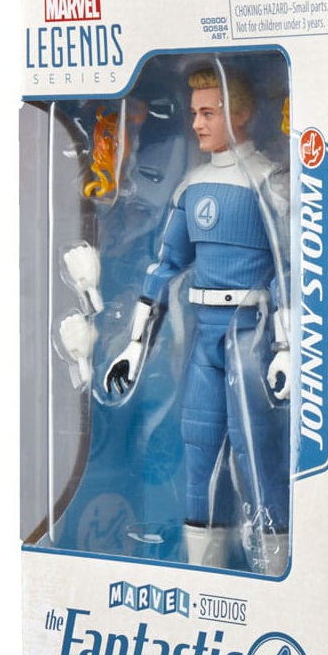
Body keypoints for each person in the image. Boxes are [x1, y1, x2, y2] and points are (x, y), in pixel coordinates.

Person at [105, 66, 290, 574]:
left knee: (257, 452)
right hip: (206, 336)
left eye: (209, 112)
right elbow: (164, 268)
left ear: (241, 113)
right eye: (193, 113)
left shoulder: (268, 181)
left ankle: (275, 574)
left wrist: (287, 347)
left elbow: (288, 270)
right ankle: (205, 575)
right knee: (200, 445)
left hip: (251, 338)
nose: (197, 124)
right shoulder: (191, 186)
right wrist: (134, 347)